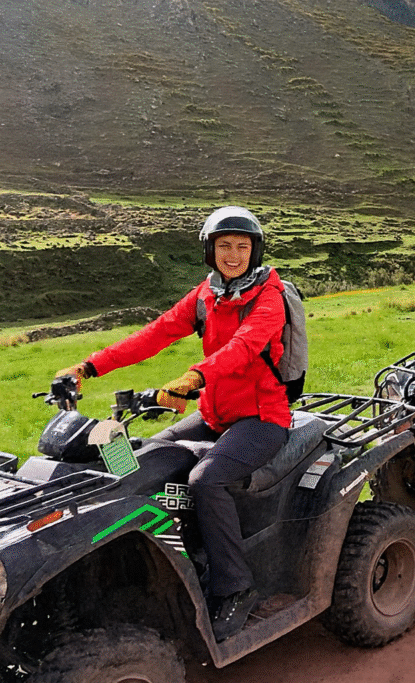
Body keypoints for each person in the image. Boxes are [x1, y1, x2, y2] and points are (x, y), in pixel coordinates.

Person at [54, 206, 291, 642]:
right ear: (210, 251)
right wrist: (87, 367)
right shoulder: (207, 294)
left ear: (255, 251)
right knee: (141, 461)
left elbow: (243, 348)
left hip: (262, 419)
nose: (233, 254)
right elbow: (155, 334)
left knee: (206, 479)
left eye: (242, 246)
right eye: (224, 246)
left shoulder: (269, 298)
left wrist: (193, 378)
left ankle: (235, 587)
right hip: (213, 415)